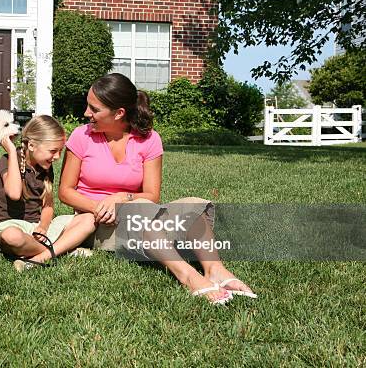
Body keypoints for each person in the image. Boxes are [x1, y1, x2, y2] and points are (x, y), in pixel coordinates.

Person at [58, 73, 256, 304]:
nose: (86, 113)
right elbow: (65, 191)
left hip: (139, 214)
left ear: (119, 113)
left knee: (194, 205)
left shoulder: (149, 139)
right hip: (97, 222)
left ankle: (215, 270)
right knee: (141, 210)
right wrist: (102, 207)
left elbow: (152, 195)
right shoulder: (82, 136)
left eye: (94, 109)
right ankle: (188, 276)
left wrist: (121, 197)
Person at [0, 115, 95, 271]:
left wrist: (44, 227)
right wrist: (12, 151)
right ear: (31, 146)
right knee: (12, 237)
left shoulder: (44, 167)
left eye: (60, 151)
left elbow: (48, 206)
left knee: (89, 219)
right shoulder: (9, 160)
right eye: (53, 151)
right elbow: (14, 193)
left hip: (38, 228)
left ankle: (41, 255)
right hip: (11, 225)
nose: (57, 157)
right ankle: (63, 249)